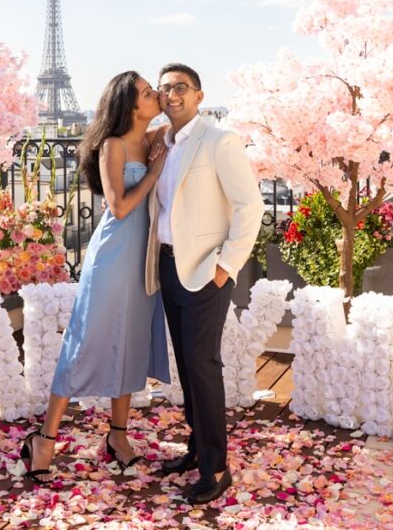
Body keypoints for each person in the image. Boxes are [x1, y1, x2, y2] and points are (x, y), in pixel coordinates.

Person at [20, 71, 172, 482]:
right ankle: (44, 440)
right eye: (146, 92)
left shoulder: (157, 137)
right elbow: (120, 207)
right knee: (85, 340)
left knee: (131, 341)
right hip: (113, 255)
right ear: (130, 105)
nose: (155, 94)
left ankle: (118, 436)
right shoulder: (113, 145)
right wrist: (154, 175)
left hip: (144, 257)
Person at [145, 63, 263, 505]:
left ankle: (215, 468)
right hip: (170, 266)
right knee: (188, 366)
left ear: (199, 94)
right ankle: (196, 450)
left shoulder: (220, 140)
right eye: (165, 89)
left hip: (205, 272)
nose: (172, 95)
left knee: (203, 364)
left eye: (180, 87)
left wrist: (226, 266)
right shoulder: (162, 144)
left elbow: (249, 207)